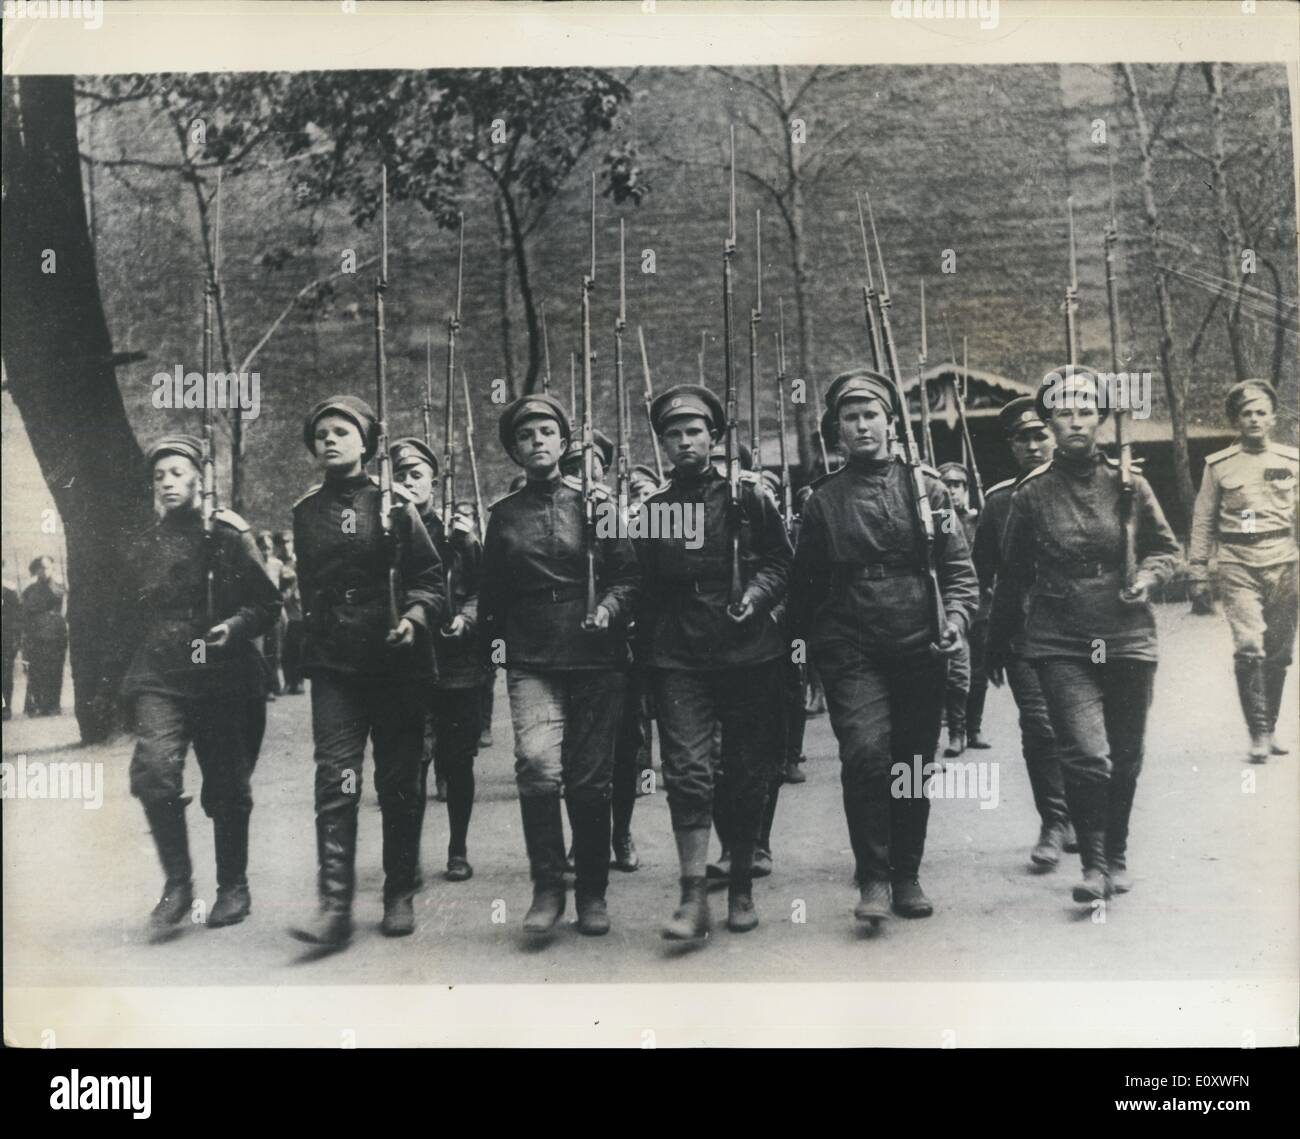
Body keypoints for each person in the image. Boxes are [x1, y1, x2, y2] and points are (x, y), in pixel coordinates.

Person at [790, 369, 978, 926]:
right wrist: (802, 656)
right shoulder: (822, 501)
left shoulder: (930, 490)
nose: (862, 426)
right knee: (868, 756)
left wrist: (958, 619)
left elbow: (959, 570)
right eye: (851, 418)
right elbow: (806, 586)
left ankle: (906, 875)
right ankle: (872, 876)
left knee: (914, 763)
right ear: (838, 431)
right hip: (851, 646)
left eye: (872, 415)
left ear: (891, 423)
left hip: (920, 642)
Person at [987, 367, 1181, 905]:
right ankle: (1093, 866)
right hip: (1061, 638)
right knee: (1086, 754)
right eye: (1064, 412)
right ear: (1052, 420)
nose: (1075, 421)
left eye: (1084, 410)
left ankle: (1117, 855)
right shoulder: (1032, 495)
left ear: (1099, 418)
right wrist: (997, 644)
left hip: (1125, 633)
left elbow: (1168, 548)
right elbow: (1012, 573)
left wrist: (1147, 576)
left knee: (1126, 754)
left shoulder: (1129, 484)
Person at [479, 394, 640, 937]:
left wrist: (608, 609)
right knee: (537, 766)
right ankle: (548, 887)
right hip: (532, 655)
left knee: (590, 781)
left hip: (597, 656)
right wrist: (492, 651)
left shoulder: (598, 504)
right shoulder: (502, 516)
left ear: (564, 441)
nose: (537, 442)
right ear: (515, 450)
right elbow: (492, 594)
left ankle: (592, 892)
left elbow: (628, 578)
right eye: (526, 436)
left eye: (547, 432)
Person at [637, 384, 792, 941]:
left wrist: (754, 596)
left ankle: (743, 883)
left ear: (714, 437)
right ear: (662, 443)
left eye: (695, 432)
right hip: (679, 655)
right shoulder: (652, 511)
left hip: (748, 652)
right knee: (687, 773)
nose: (684, 442)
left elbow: (780, 562)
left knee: (747, 773)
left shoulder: (747, 498)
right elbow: (643, 588)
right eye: (673, 434)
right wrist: (645, 665)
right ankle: (692, 896)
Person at [288, 396, 444, 947]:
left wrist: (414, 616)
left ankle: (399, 891)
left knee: (398, 781)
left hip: (396, 659)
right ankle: (334, 904)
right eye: (322, 432)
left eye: (342, 431)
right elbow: (308, 588)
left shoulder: (395, 506)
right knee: (337, 778)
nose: (330, 440)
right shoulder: (305, 511)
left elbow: (431, 578)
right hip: (336, 663)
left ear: (365, 442)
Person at [120, 435, 281, 934]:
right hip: (162, 673)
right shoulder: (145, 543)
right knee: (154, 772)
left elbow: (267, 605)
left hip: (222, 673)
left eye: (176, 473)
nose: (167, 483)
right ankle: (178, 885)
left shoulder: (229, 535)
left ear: (199, 478)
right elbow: (128, 614)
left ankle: (234, 886)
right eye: (159, 476)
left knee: (228, 784)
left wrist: (232, 627)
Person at [971, 397, 1074, 869]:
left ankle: (1086, 816)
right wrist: (991, 638)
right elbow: (982, 575)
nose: (1033, 445)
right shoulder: (998, 503)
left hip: (1082, 627)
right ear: (1011, 446)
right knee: (1039, 723)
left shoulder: (1086, 487)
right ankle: (1054, 821)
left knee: (1083, 727)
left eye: (1040, 435)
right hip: (1026, 633)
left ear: (1055, 434)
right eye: (1022, 438)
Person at [390, 437, 488, 883]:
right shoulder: (391, 529)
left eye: (416, 475)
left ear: (434, 480)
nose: (408, 483)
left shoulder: (459, 534)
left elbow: (481, 591)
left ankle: (458, 849)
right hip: (409, 660)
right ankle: (407, 856)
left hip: (458, 662)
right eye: (401, 475)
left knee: (458, 760)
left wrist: (465, 619)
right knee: (409, 762)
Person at [1187, 379, 1298, 762]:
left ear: (1272, 419)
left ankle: (1270, 726)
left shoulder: (1291, 462)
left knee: (1280, 652)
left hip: (1284, 560)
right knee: (1250, 646)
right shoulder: (1218, 466)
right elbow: (1202, 520)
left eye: (1261, 412)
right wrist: (1198, 569)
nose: (1254, 419)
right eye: (1246, 413)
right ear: (1237, 420)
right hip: (1237, 563)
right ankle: (1258, 733)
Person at [936, 461, 990, 757]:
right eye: (948, 485)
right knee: (956, 671)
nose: (953, 491)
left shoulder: (977, 519)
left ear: (966, 489)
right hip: (950, 604)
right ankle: (956, 732)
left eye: (958, 486)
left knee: (978, 673)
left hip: (980, 605)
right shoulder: (943, 520)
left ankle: (974, 728)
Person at [21, 556, 68, 716]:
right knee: (37, 671)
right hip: (36, 636)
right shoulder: (29, 591)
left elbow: (64, 611)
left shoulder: (60, 588)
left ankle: (53, 704)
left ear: (52, 569)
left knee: (55, 670)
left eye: (47, 567)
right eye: (41, 568)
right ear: (36, 570)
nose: (44, 571)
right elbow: (25, 616)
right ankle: (38, 705)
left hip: (55, 636)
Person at [274, 531, 305, 695]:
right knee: (285, 647)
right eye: (283, 543)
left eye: (288, 542)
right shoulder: (277, 563)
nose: (286, 546)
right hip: (282, 607)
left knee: (297, 645)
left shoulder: (299, 561)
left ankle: (298, 681)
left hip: (297, 607)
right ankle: (287, 681)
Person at [256, 531, 286, 697]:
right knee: (260, 651)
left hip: (275, 612)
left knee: (274, 650)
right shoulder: (253, 563)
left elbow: (286, 582)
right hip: (259, 611)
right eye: (262, 548)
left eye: (268, 548)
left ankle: (272, 686)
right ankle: (263, 687)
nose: (265, 552)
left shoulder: (277, 565)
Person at [2, 562, 21, 720]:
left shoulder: (9, 590)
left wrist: (15, 639)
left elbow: (17, 617)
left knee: (5, 674)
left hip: (5, 639)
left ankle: (5, 708)